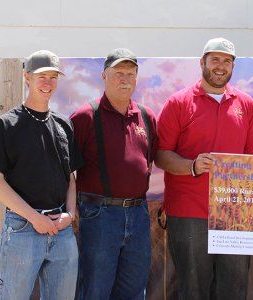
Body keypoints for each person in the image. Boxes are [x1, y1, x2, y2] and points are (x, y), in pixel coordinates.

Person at [154, 37, 253, 300]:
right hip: (188, 211)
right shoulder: (179, 102)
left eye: (227, 61)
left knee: (234, 289)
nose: (220, 66)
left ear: (233, 66)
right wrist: (192, 166)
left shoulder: (245, 104)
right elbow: (160, 155)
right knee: (193, 289)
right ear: (202, 62)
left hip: (234, 213)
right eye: (215, 59)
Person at [0, 50, 80, 300]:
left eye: (53, 77)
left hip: (61, 230)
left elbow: (70, 177)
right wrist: (34, 218)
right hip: (23, 229)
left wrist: (70, 214)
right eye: (41, 76)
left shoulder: (63, 124)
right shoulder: (7, 125)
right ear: (26, 77)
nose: (48, 83)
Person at [70, 48, 157, 300]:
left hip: (139, 215)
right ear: (104, 76)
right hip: (99, 216)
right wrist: (72, 209)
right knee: (95, 290)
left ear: (137, 78)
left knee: (133, 291)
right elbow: (66, 169)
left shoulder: (146, 117)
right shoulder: (85, 117)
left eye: (131, 73)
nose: (125, 78)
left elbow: (148, 161)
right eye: (118, 73)